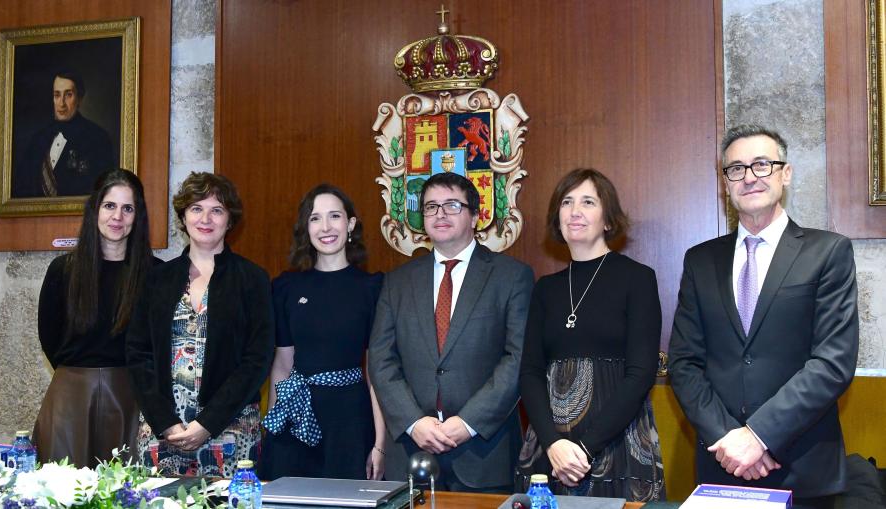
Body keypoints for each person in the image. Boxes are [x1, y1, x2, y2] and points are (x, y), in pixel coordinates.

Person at [668, 125, 859, 509]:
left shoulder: (828, 252)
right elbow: (684, 362)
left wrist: (757, 436)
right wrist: (729, 439)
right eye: (736, 169)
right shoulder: (700, 260)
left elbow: (832, 362)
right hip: (721, 465)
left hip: (802, 468)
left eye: (761, 164)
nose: (749, 176)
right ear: (725, 183)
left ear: (784, 174)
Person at [368, 172, 534, 492]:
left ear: (475, 216)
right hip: (411, 451)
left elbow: (518, 358)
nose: (440, 214)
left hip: (484, 453)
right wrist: (414, 422)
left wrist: (468, 423)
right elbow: (381, 359)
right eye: (431, 207)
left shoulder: (512, 277)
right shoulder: (396, 282)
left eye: (452, 205)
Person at [518, 169, 665, 502]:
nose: (575, 211)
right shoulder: (546, 288)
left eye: (588, 202)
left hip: (618, 441)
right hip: (551, 448)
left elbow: (641, 373)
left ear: (608, 219)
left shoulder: (637, 279)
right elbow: (529, 371)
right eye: (567, 202)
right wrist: (554, 444)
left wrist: (585, 448)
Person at [126, 172, 274, 477]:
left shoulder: (252, 279)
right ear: (183, 216)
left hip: (230, 431)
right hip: (163, 431)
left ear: (230, 220)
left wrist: (207, 424)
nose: (205, 218)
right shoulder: (156, 280)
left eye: (216, 210)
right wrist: (164, 421)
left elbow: (257, 359)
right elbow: (138, 355)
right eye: (196, 208)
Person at [259, 184, 386, 481]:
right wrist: (273, 426)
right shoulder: (286, 287)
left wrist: (381, 444)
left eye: (335, 217)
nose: (326, 227)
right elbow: (282, 364)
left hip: (350, 422)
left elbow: (378, 373)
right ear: (306, 227)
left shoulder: (373, 288)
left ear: (350, 224)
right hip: (295, 415)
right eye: (315, 218)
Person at [33, 168, 155, 468]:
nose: (118, 217)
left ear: (137, 217)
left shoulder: (156, 274)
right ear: (95, 210)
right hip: (70, 396)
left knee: (129, 492)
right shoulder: (63, 270)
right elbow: (48, 336)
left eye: (128, 208)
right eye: (110, 206)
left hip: (131, 398)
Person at [13, 70, 115, 198]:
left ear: (80, 98)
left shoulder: (98, 138)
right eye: (57, 95)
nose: (61, 103)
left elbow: (103, 194)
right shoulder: (38, 139)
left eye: (68, 95)